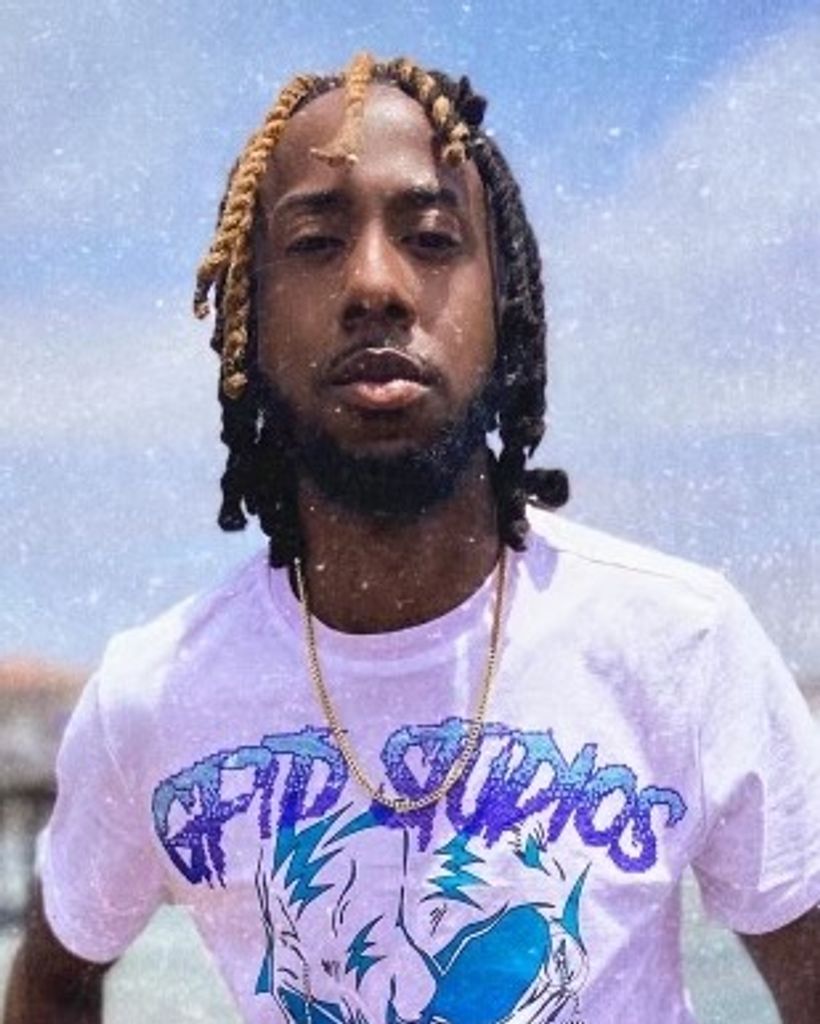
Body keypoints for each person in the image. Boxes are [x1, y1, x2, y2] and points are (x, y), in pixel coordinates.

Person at [5, 52, 820, 1024]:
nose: (375, 284)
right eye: (315, 242)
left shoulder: (680, 644)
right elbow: (53, 980)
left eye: (432, 239)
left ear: (503, 305)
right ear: (249, 320)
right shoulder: (153, 695)